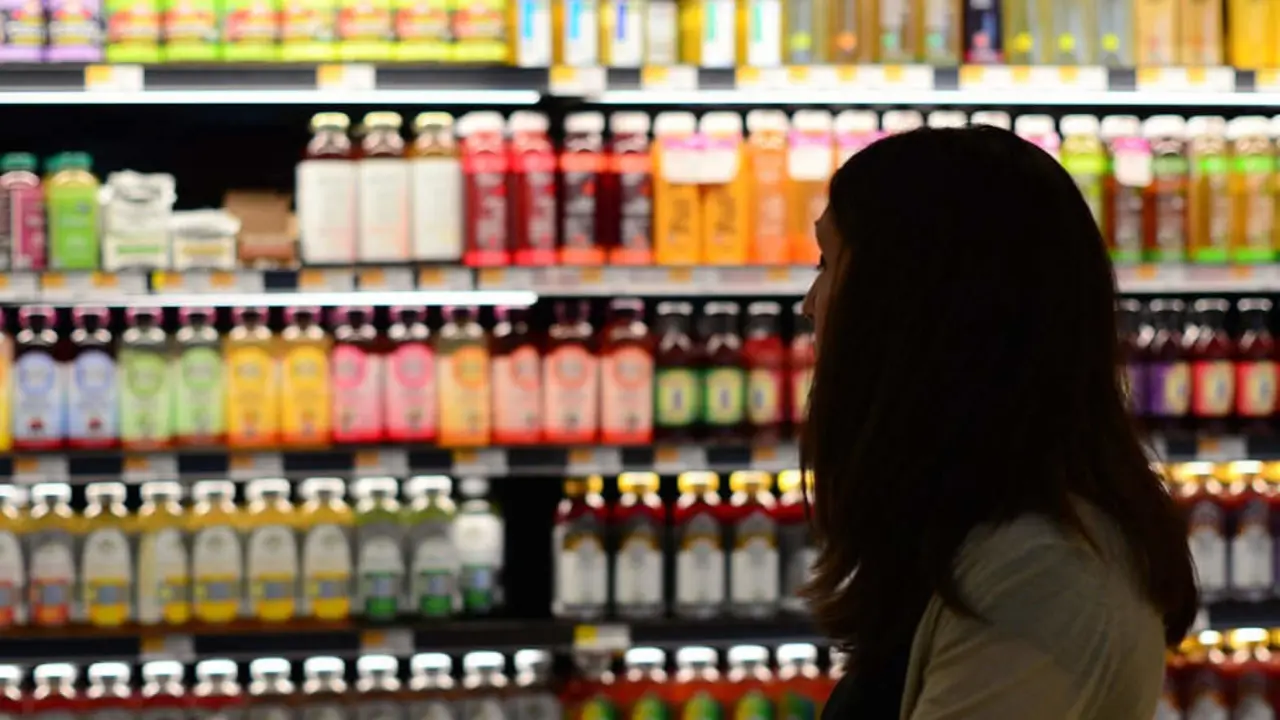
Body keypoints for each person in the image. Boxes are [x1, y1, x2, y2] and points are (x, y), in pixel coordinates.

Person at [800, 124, 1198, 718]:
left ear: (913, 304)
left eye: (827, 262)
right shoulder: (973, 531)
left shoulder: (1044, 581)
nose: (810, 302)